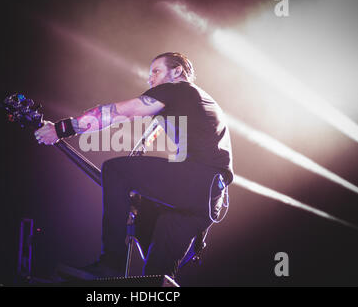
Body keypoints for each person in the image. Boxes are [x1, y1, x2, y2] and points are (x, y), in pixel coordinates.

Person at [34, 52, 234, 279]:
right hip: (208, 201)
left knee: (116, 171)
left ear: (177, 71)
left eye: (156, 71)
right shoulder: (194, 102)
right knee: (155, 276)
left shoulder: (178, 90)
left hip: (198, 180)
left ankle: (111, 263)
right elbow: (134, 123)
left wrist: (61, 129)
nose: (150, 80)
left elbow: (120, 112)